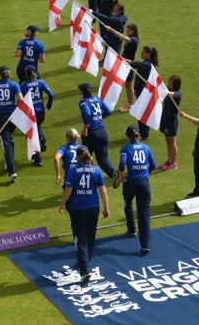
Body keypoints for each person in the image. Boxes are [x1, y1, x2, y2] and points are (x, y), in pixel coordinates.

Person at [59, 146, 110, 284]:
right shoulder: (97, 170)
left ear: (78, 158)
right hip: (93, 207)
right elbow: (103, 191)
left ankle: (84, 270)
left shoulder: (73, 171)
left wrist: (62, 204)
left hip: (78, 208)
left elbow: (68, 190)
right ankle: (87, 259)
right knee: (91, 234)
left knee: (80, 238)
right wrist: (106, 207)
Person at [118, 125, 156, 254]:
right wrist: (145, 173)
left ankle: (131, 229)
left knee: (128, 204)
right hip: (144, 184)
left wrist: (121, 175)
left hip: (130, 183)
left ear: (127, 136)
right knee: (144, 213)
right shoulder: (146, 147)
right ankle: (145, 245)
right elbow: (153, 165)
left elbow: (122, 163)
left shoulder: (125, 148)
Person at [0, 66, 23, 183]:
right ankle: (8, 162)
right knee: (8, 141)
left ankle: (11, 171)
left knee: (6, 144)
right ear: (8, 73)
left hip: (1, 118)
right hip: (13, 117)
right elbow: (20, 100)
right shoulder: (14, 85)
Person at [78, 83, 119, 186]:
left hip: (91, 134)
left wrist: (85, 128)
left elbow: (87, 114)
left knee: (84, 157)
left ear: (82, 92)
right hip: (102, 132)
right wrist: (99, 118)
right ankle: (113, 172)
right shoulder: (98, 99)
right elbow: (108, 111)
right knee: (102, 159)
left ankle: (85, 181)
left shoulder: (83, 102)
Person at [20, 66, 53, 166]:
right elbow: (51, 95)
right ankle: (41, 138)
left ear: (26, 74)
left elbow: (20, 100)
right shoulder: (41, 83)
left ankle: (37, 159)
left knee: (30, 135)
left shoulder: (23, 85)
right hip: (40, 113)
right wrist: (48, 105)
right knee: (37, 126)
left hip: (30, 113)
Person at [102, 23, 139, 112]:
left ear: (133, 31)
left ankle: (130, 105)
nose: (127, 31)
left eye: (129, 30)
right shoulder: (132, 39)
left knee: (129, 86)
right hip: (124, 63)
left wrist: (111, 30)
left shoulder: (134, 40)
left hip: (128, 65)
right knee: (128, 86)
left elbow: (123, 38)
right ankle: (130, 103)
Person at [131, 46, 159, 140]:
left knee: (142, 113)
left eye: (143, 52)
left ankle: (145, 134)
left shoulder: (148, 65)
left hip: (144, 93)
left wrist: (122, 59)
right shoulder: (146, 63)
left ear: (148, 54)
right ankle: (142, 132)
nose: (141, 53)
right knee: (141, 112)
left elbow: (135, 64)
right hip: (141, 91)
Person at [160, 76, 182, 171]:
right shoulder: (168, 92)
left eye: (170, 82)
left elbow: (171, 94)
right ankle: (169, 161)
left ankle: (173, 163)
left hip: (171, 121)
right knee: (168, 142)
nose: (168, 83)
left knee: (172, 142)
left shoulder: (177, 94)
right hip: (165, 119)